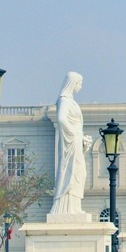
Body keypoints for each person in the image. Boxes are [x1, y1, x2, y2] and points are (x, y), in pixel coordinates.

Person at [50, 72, 92, 216]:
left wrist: (82, 139)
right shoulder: (64, 100)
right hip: (71, 140)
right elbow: (61, 119)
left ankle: (73, 207)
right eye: (79, 83)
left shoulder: (70, 101)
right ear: (73, 83)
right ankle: (67, 208)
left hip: (75, 140)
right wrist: (74, 135)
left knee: (79, 173)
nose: (81, 86)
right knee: (71, 172)